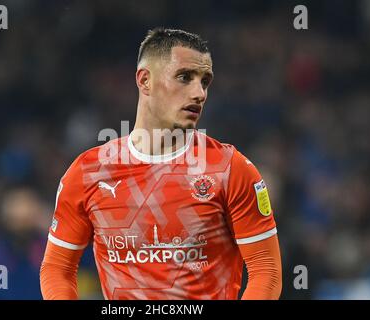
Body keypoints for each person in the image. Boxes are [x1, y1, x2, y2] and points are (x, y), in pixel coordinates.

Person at [40, 28, 282, 300]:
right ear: (145, 81)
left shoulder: (230, 169)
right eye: (185, 77)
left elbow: (266, 271)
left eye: (205, 81)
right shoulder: (88, 172)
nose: (199, 93)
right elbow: (57, 268)